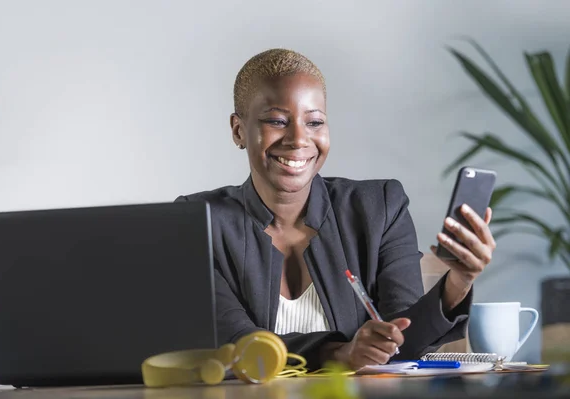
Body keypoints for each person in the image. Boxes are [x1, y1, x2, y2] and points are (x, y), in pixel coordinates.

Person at [175, 49, 496, 371]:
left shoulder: (379, 207)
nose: (299, 139)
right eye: (276, 121)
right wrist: (340, 353)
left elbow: (402, 341)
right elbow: (235, 343)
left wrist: (460, 280)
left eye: (314, 122)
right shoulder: (196, 220)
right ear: (238, 130)